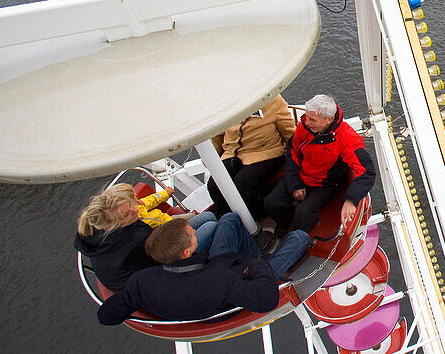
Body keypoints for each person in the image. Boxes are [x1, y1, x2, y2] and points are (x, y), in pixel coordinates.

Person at [98, 214, 309, 325]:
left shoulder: (141, 282)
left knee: (229, 220)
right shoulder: (220, 282)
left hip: (211, 267)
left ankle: (252, 251)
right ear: (186, 252)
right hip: (243, 282)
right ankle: (259, 254)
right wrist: (256, 265)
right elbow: (266, 299)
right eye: (193, 235)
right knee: (299, 238)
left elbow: (106, 316)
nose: (195, 234)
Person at [264, 95, 376, 234]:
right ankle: (284, 223)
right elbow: (292, 149)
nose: (306, 121)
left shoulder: (348, 139)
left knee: (304, 214)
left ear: (328, 120)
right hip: (302, 174)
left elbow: (367, 172)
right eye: (307, 116)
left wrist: (351, 201)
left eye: (312, 119)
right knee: (272, 202)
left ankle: (300, 236)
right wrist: (295, 184)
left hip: (325, 183)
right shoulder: (305, 126)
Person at [75, 183, 215, 292]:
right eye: (127, 214)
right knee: (211, 227)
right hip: (161, 275)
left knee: (207, 217)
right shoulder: (133, 247)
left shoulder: (107, 228)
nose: (136, 211)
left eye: (131, 205)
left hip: (156, 250)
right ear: (113, 226)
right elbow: (167, 258)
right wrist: (190, 237)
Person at [208, 95, 296, 219]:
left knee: (243, 182)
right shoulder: (225, 102)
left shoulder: (272, 100)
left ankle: (255, 217)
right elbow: (216, 133)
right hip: (232, 152)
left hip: (267, 152)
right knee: (214, 185)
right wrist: (211, 158)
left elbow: (288, 129)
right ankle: (228, 217)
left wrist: (298, 153)